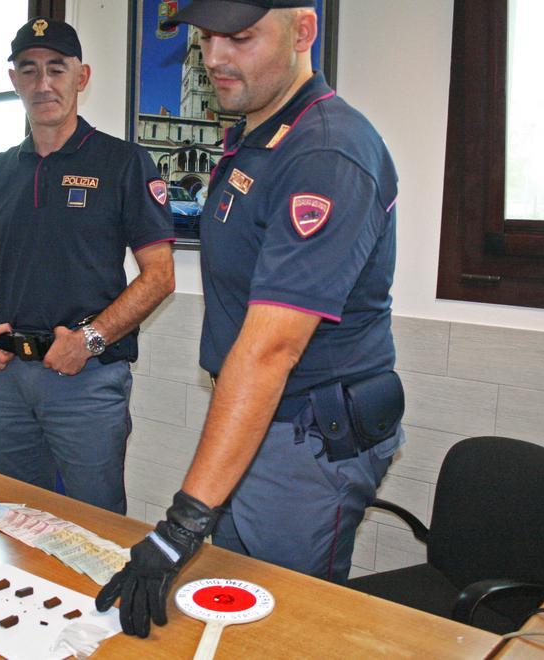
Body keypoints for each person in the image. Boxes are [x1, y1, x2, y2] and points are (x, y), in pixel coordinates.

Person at [96, 0, 404, 637]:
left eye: (239, 37)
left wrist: (182, 522)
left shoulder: (325, 150)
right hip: (261, 424)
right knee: (230, 609)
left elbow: (270, 351)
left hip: (306, 438)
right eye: (207, 39)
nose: (215, 59)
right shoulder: (260, 134)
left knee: (278, 629)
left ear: (303, 31)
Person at [0, 17, 175, 515]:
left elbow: (160, 276)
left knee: (95, 524)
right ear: (14, 81)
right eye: (29, 71)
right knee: (13, 518)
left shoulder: (124, 163)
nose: (42, 84)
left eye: (56, 69)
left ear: (81, 77)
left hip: (85, 377)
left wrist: (89, 340)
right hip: (7, 377)